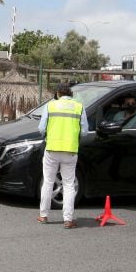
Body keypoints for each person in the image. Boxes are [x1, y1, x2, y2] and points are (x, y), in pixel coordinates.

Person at [37, 82, 89, 228]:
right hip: (70, 150)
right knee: (68, 184)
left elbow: (41, 128)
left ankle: (43, 216)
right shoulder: (79, 107)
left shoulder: (50, 106)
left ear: (58, 94)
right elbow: (84, 131)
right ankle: (68, 219)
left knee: (48, 182)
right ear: (71, 94)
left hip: (52, 149)